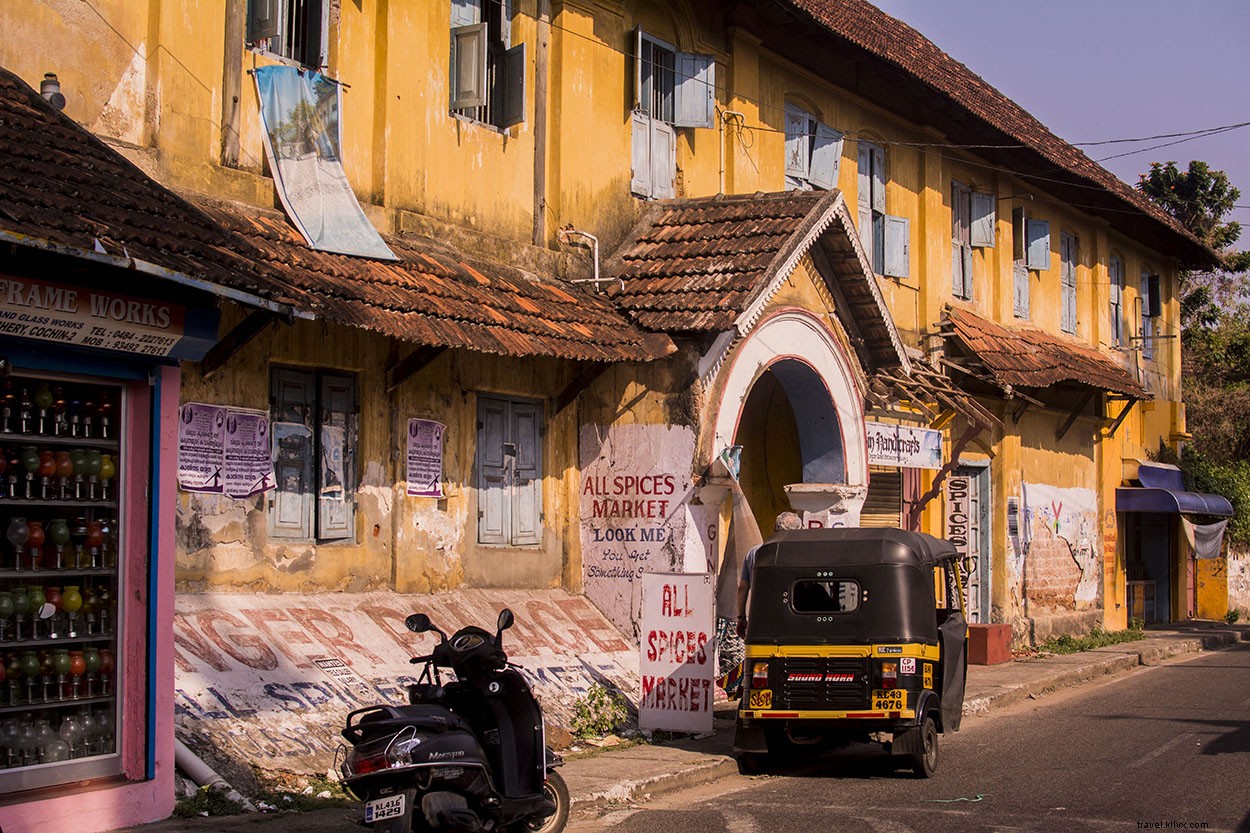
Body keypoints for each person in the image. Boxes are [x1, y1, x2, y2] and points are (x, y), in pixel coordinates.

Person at [736, 510, 803, 636]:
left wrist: (741, 618)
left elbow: (743, 588)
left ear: (774, 529)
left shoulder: (754, 552)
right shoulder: (801, 554)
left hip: (760, 619)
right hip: (794, 619)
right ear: (798, 531)